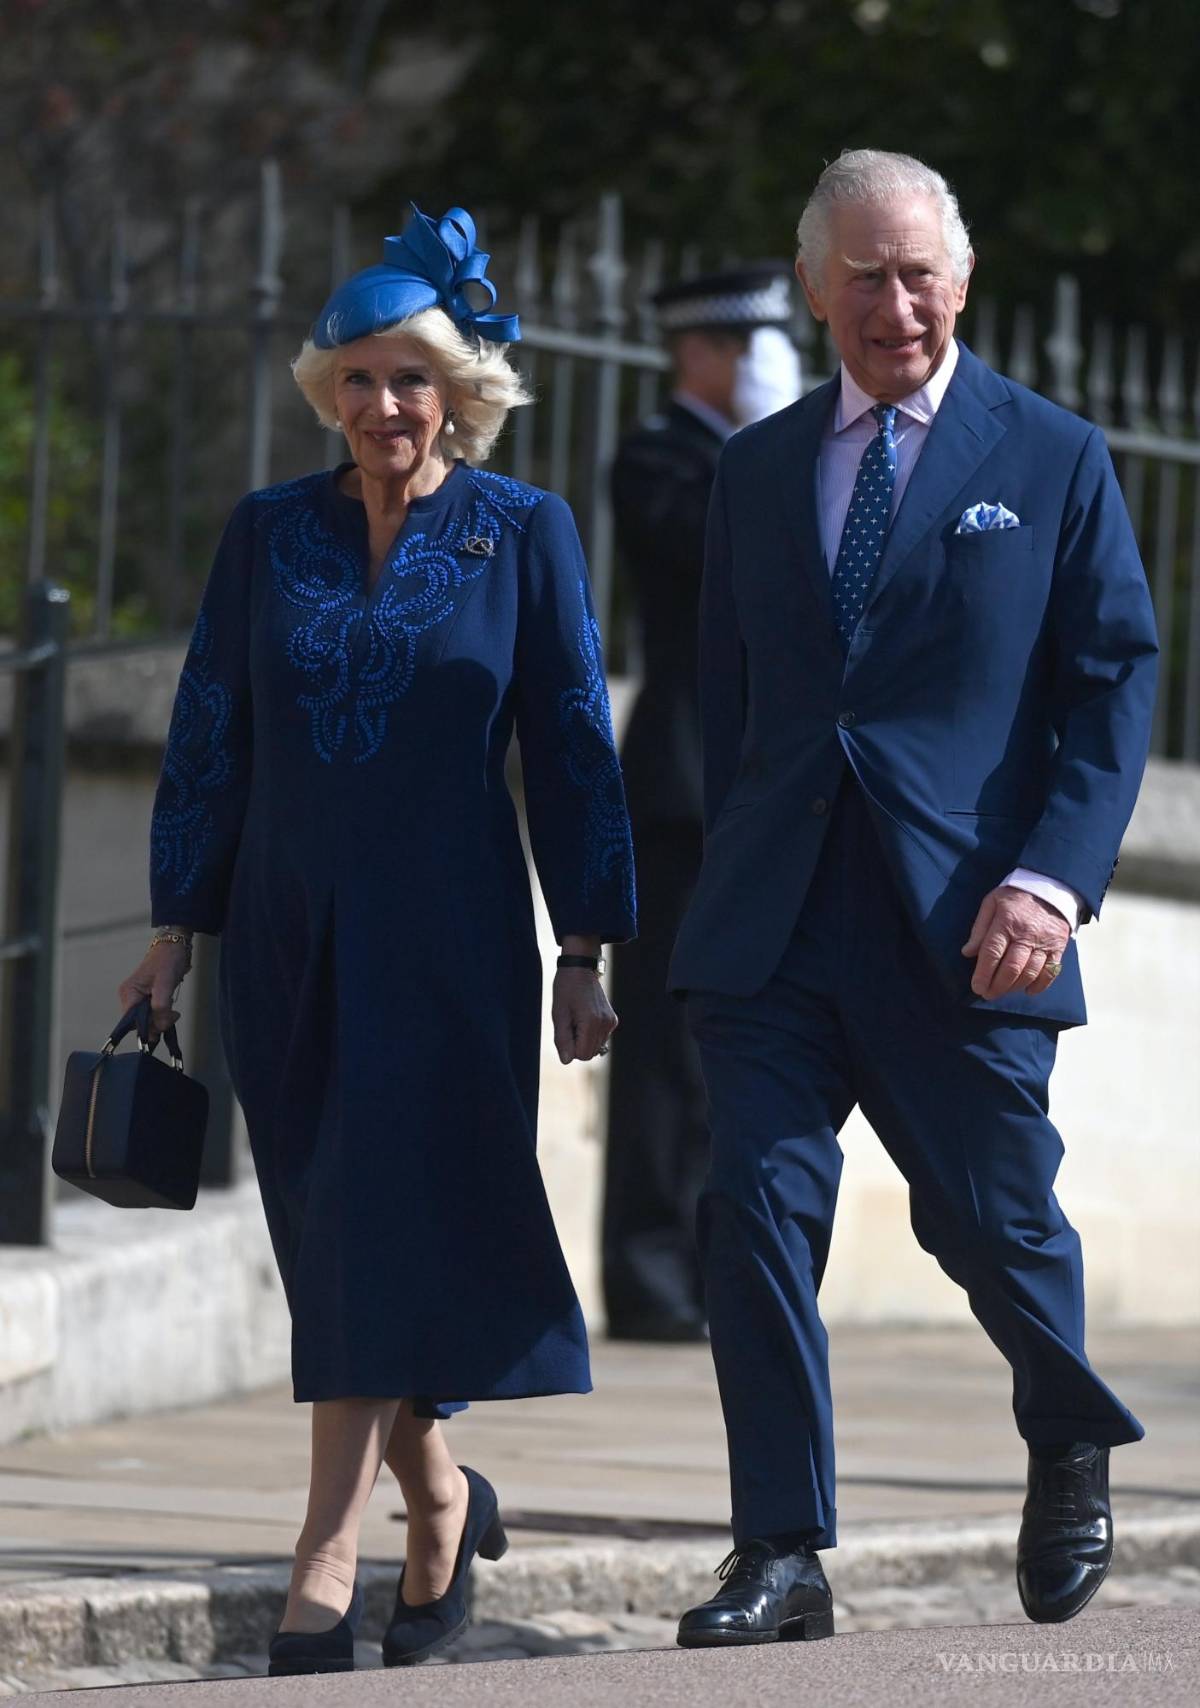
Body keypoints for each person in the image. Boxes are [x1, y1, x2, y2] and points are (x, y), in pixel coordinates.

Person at [117, 205, 636, 1675]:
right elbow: (211, 728)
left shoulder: (524, 532)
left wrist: (585, 944)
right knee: (335, 1244)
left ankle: (322, 1560)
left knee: (387, 1231)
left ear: (459, 393)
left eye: (412, 378)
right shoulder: (265, 531)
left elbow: (577, 743)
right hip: (285, 936)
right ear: (325, 393)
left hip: (452, 943)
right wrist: (178, 925)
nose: (384, 405)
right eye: (356, 378)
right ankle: (444, 1502)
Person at [668, 150, 1157, 1647]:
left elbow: (1115, 686)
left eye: (921, 273)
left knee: (997, 1223)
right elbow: (728, 703)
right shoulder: (755, 470)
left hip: (968, 924)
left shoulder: (1054, 456)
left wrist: (1051, 882)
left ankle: (1067, 1440)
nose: (898, 304)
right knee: (749, 1207)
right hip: (776, 924)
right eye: (866, 276)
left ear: (963, 281)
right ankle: (781, 1549)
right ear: (817, 289)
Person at [603, 267, 800, 1342]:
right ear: (699, 352)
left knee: (750, 1041)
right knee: (666, 1048)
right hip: (682, 785)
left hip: (767, 784)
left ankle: (726, 1268)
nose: (766, 366)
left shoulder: (775, 457)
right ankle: (649, 1274)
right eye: (747, 346)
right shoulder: (660, 458)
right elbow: (706, 568)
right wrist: (763, 445)